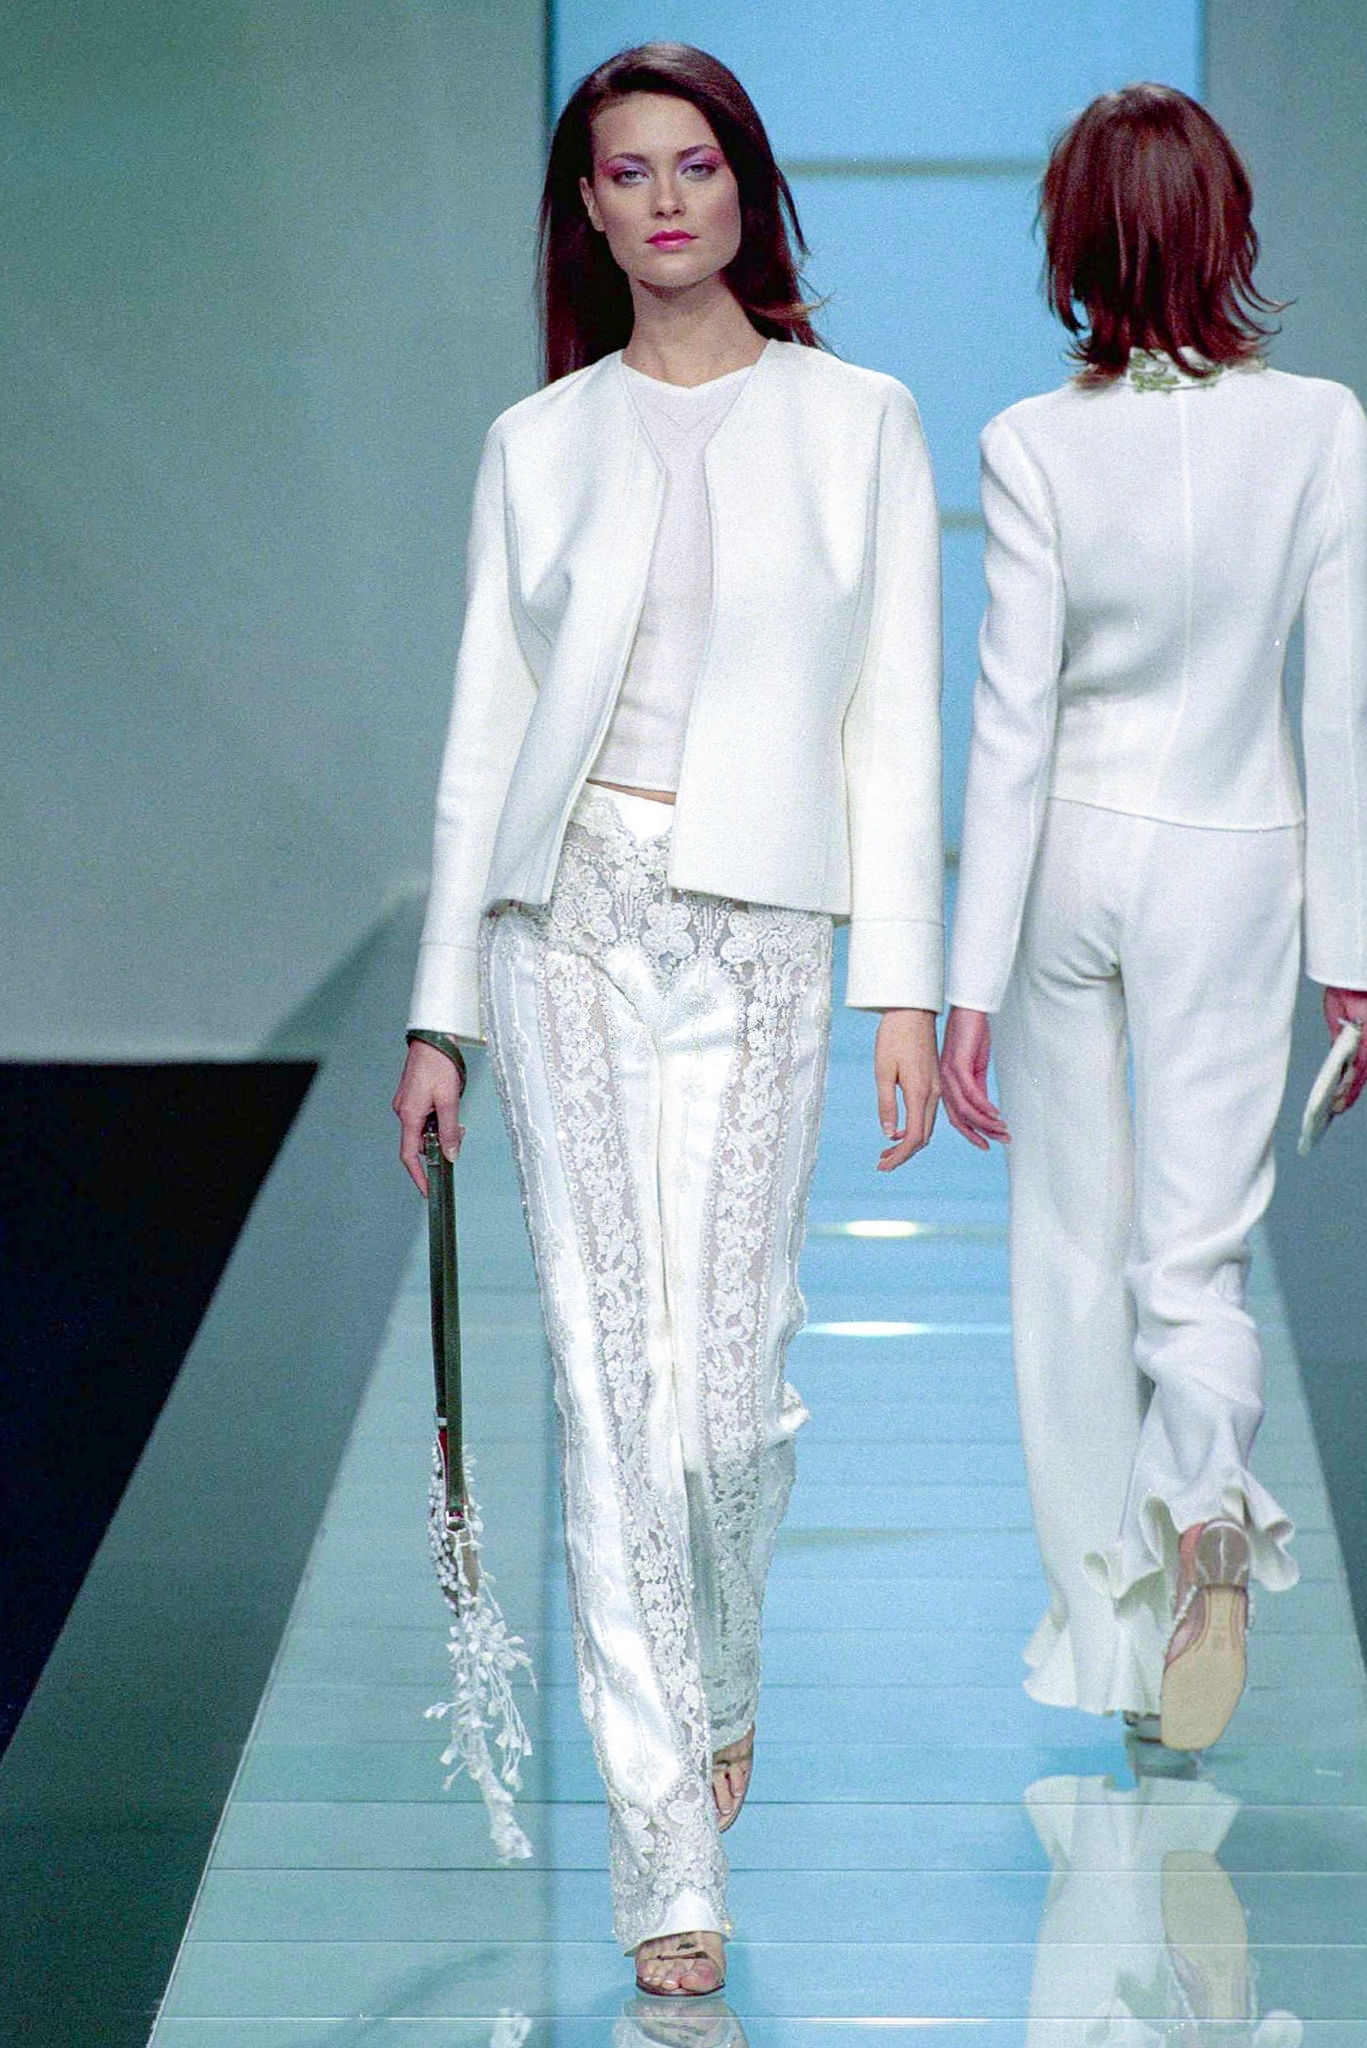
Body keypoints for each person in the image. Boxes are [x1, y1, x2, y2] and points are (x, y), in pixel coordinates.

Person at [392, 42, 944, 1994]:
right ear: (589, 211)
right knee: (606, 1378)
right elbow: (480, 741)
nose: (663, 202)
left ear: (743, 186)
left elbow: (896, 718)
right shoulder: (535, 441)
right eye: (624, 174)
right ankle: (661, 1855)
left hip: (760, 932)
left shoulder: (860, 421)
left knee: (722, 1394)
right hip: (562, 927)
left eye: (692, 165)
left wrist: (903, 985)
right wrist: (440, 1014)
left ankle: (720, 1667)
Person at [940, 84, 1367, 1753]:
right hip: (1236, 852)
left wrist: (964, 982)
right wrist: (1351, 955)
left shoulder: (1030, 443)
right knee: (1192, 1254)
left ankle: (1114, 1644)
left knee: (1068, 1253)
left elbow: (1011, 721)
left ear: (1072, 240)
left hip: (1071, 859)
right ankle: (1205, 1501)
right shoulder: (1320, 426)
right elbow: (1337, 705)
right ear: (1226, 226)